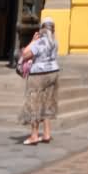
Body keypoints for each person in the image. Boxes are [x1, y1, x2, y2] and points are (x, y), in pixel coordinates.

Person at [19, 16, 60, 145]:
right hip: (53, 73)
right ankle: (47, 133)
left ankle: (34, 135)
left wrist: (32, 41)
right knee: (47, 103)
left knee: (34, 104)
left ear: (42, 28)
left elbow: (25, 54)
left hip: (39, 75)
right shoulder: (55, 42)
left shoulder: (40, 42)